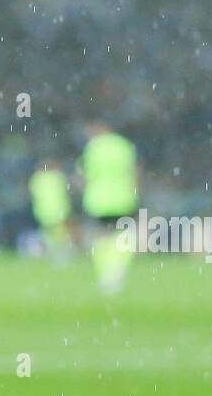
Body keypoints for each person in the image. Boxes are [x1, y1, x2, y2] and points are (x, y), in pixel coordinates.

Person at [78, 123, 138, 294]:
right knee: (124, 236)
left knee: (99, 237)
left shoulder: (93, 148)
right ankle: (117, 267)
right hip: (123, 198)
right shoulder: (123, 145)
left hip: (98, 199)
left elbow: (85, 174)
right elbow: (132, 171)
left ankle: (105, 272)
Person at [29, 160, 72, 262]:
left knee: (47, 233)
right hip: (59, 210)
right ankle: (59, 255)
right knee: (60, 234)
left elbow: (32, 193)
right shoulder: (58, 177)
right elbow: (67, 191)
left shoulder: (37, 178)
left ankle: (48, 253)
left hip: (43, 211)